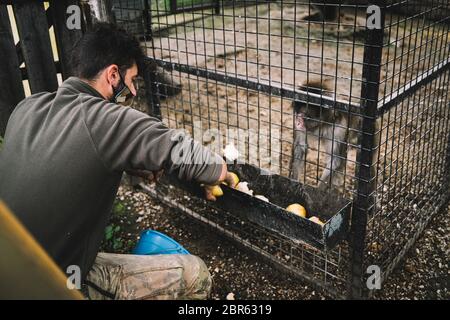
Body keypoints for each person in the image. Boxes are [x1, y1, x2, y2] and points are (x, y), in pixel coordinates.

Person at [0, 23, 235, 300]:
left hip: (11, 272)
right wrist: (224, 173)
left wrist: (125, 163)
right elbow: (194, 157)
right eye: (132, 80)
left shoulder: (27, 108)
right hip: (49, 287)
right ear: (113, 75)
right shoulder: (110, 119)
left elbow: (68, 154)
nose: (134, 91)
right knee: (195, 274)